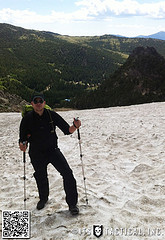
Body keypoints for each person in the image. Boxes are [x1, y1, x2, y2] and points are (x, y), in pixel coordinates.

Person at [19, 94, 81, 215]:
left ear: (44, 102)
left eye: (40, 101)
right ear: (32, 104)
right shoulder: (27, 118)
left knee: (67, 173)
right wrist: (22, 144)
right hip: (36, 153)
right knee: (41, 176)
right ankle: (43, 199)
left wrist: (75, 126)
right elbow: (22, 138)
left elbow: (67, 130)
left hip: (52, 150)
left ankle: (72, 204)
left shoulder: (51, 115)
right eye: (35, 101)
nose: (38, 103)